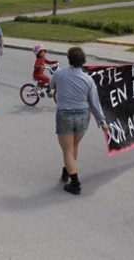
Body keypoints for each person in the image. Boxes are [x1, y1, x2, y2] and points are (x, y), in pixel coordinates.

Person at [49, 47, 108, 195]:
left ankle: (75, 184)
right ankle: (67, 170)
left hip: (65, 116)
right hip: (83, 116)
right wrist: (102, 121)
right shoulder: (88, 79)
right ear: (83, 61)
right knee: (74, 145)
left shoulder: (59, 74)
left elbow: (51, 86)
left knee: (67, 150)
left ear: (69, 59)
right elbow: (94, 103)